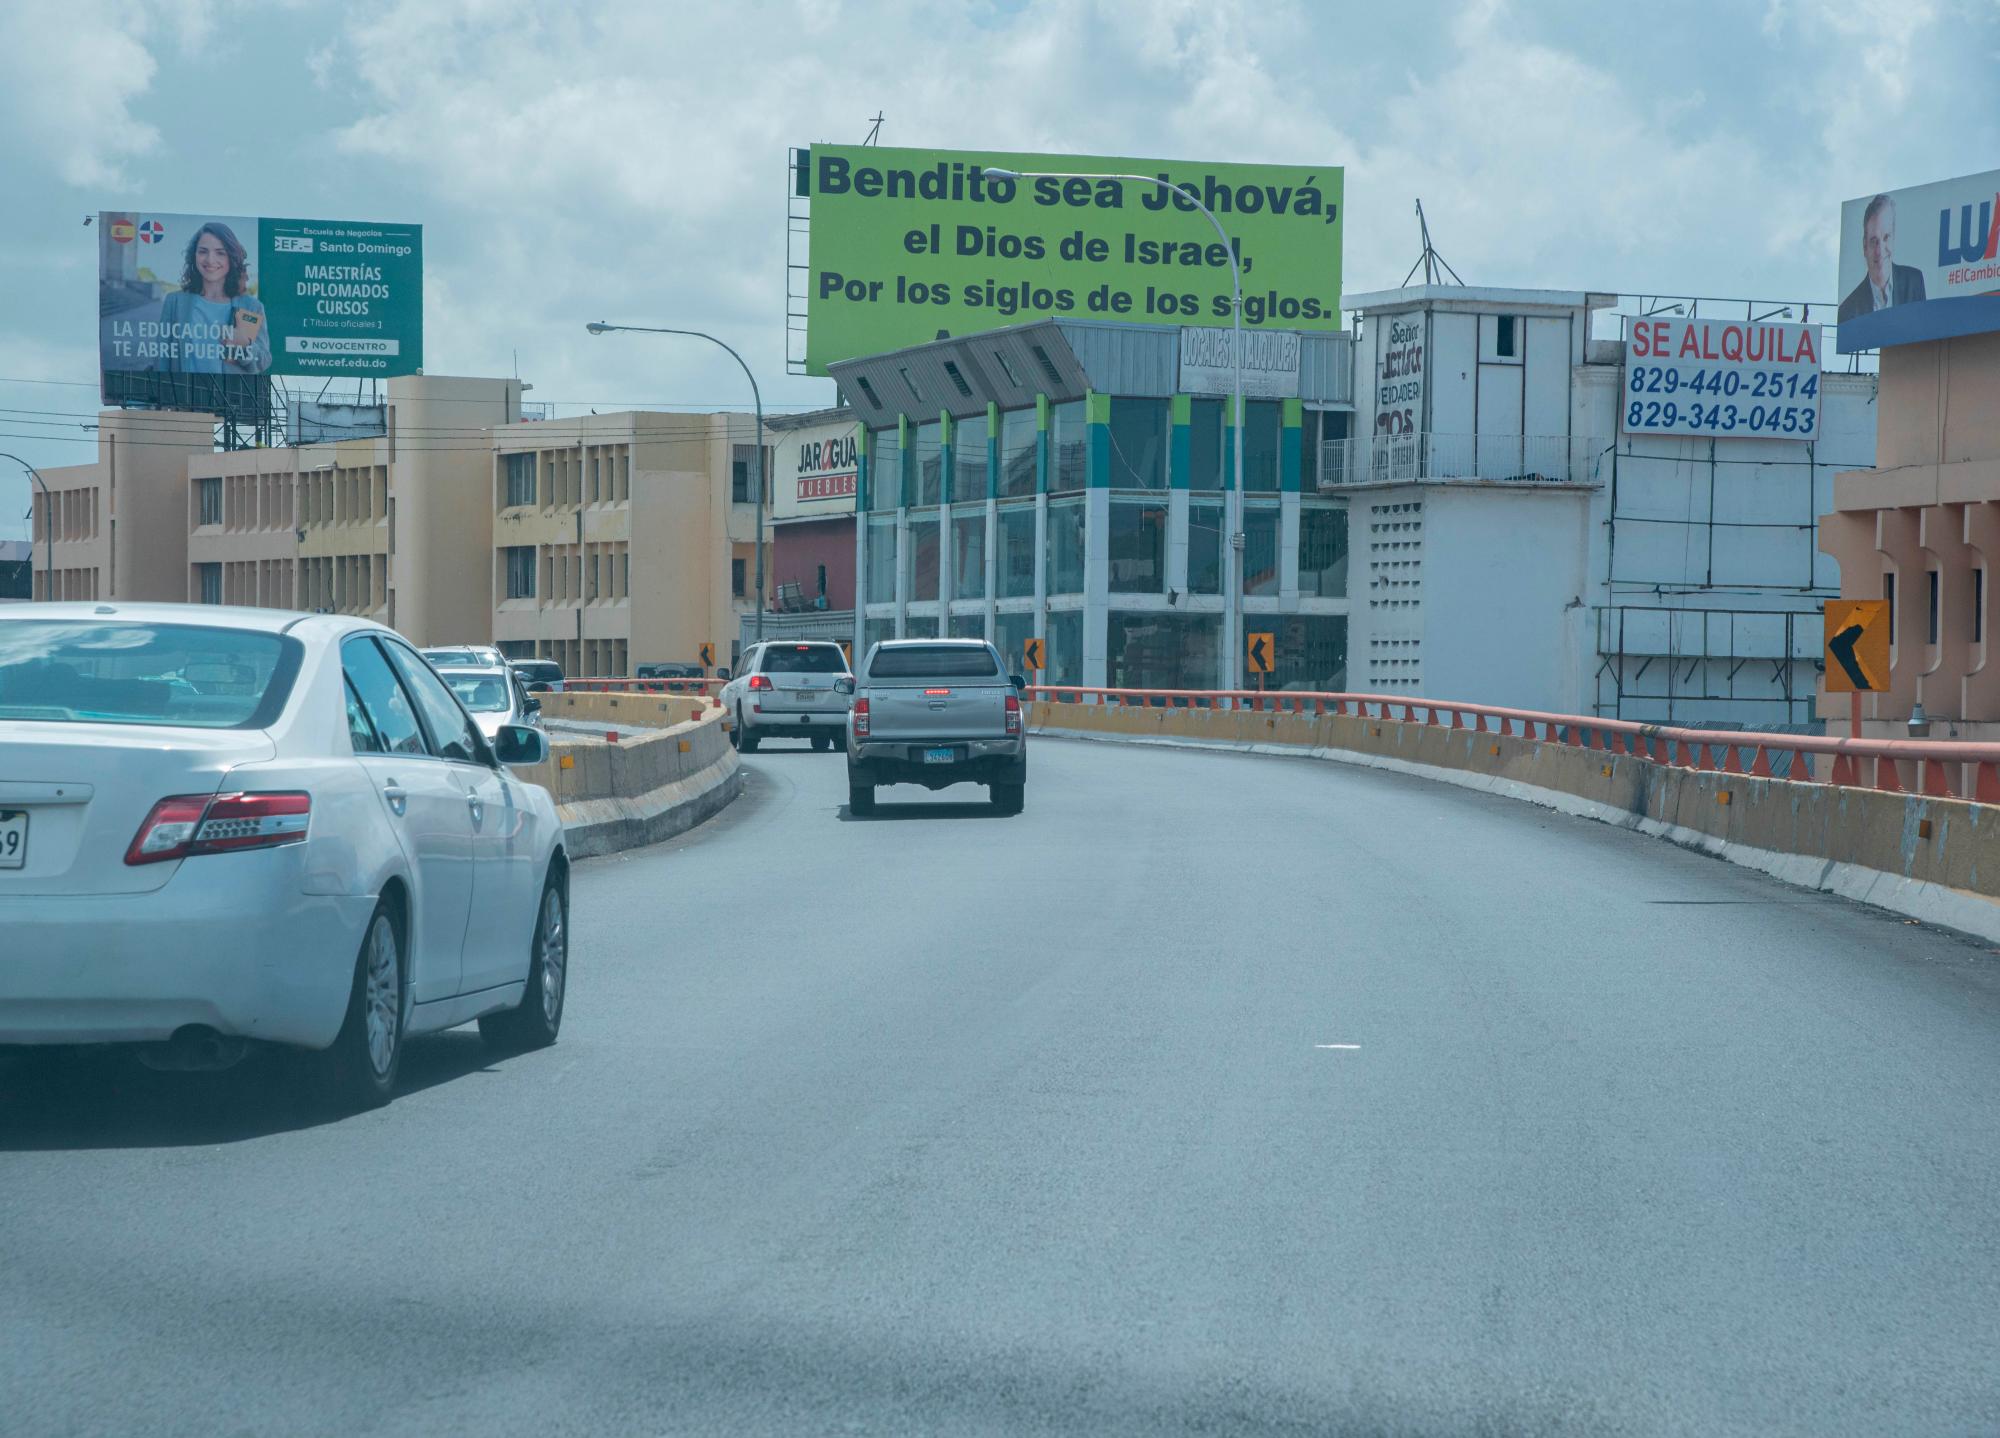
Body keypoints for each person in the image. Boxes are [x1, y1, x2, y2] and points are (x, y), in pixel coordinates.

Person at [153, 222, 271, 375]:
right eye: (203, 251)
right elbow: (162, 360)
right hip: (182, 397)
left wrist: (245, 345)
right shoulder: (174, 302)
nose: (210, 260)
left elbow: (264, 361)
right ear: (194, 255)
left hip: (229, 398)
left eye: (220, 253)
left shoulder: (251, 307)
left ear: (232, 257)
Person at [1838, 194, 1927, 324]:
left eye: (1886, 237)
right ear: (1864, 246)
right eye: (1874, 241)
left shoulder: (1914, 282)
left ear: (1894, 237)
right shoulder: (1848, 311)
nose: (1879, 251)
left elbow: (1923, 332)